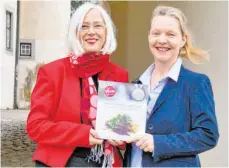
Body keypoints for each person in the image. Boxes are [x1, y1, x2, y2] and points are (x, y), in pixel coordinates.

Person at [26, 2, 128, 167]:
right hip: (61, 160)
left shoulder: (119, 74)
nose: (91, 32)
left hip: (106, 160)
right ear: (75, 33)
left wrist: (122, 136)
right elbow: (36, 126)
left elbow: (123, 127)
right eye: (84, 26)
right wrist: (83, 134)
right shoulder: (52, 72)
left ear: (107, 32)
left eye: (97, 26)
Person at [124, 5, 219, 167]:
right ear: (149, 37)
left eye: (170, 34)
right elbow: (130, 133)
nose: (162, 40)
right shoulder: (136, 85)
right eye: (156, 33)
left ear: (183, 40)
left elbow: (208, 135)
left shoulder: (196, 83)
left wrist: (158, 143)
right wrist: (117, 135)